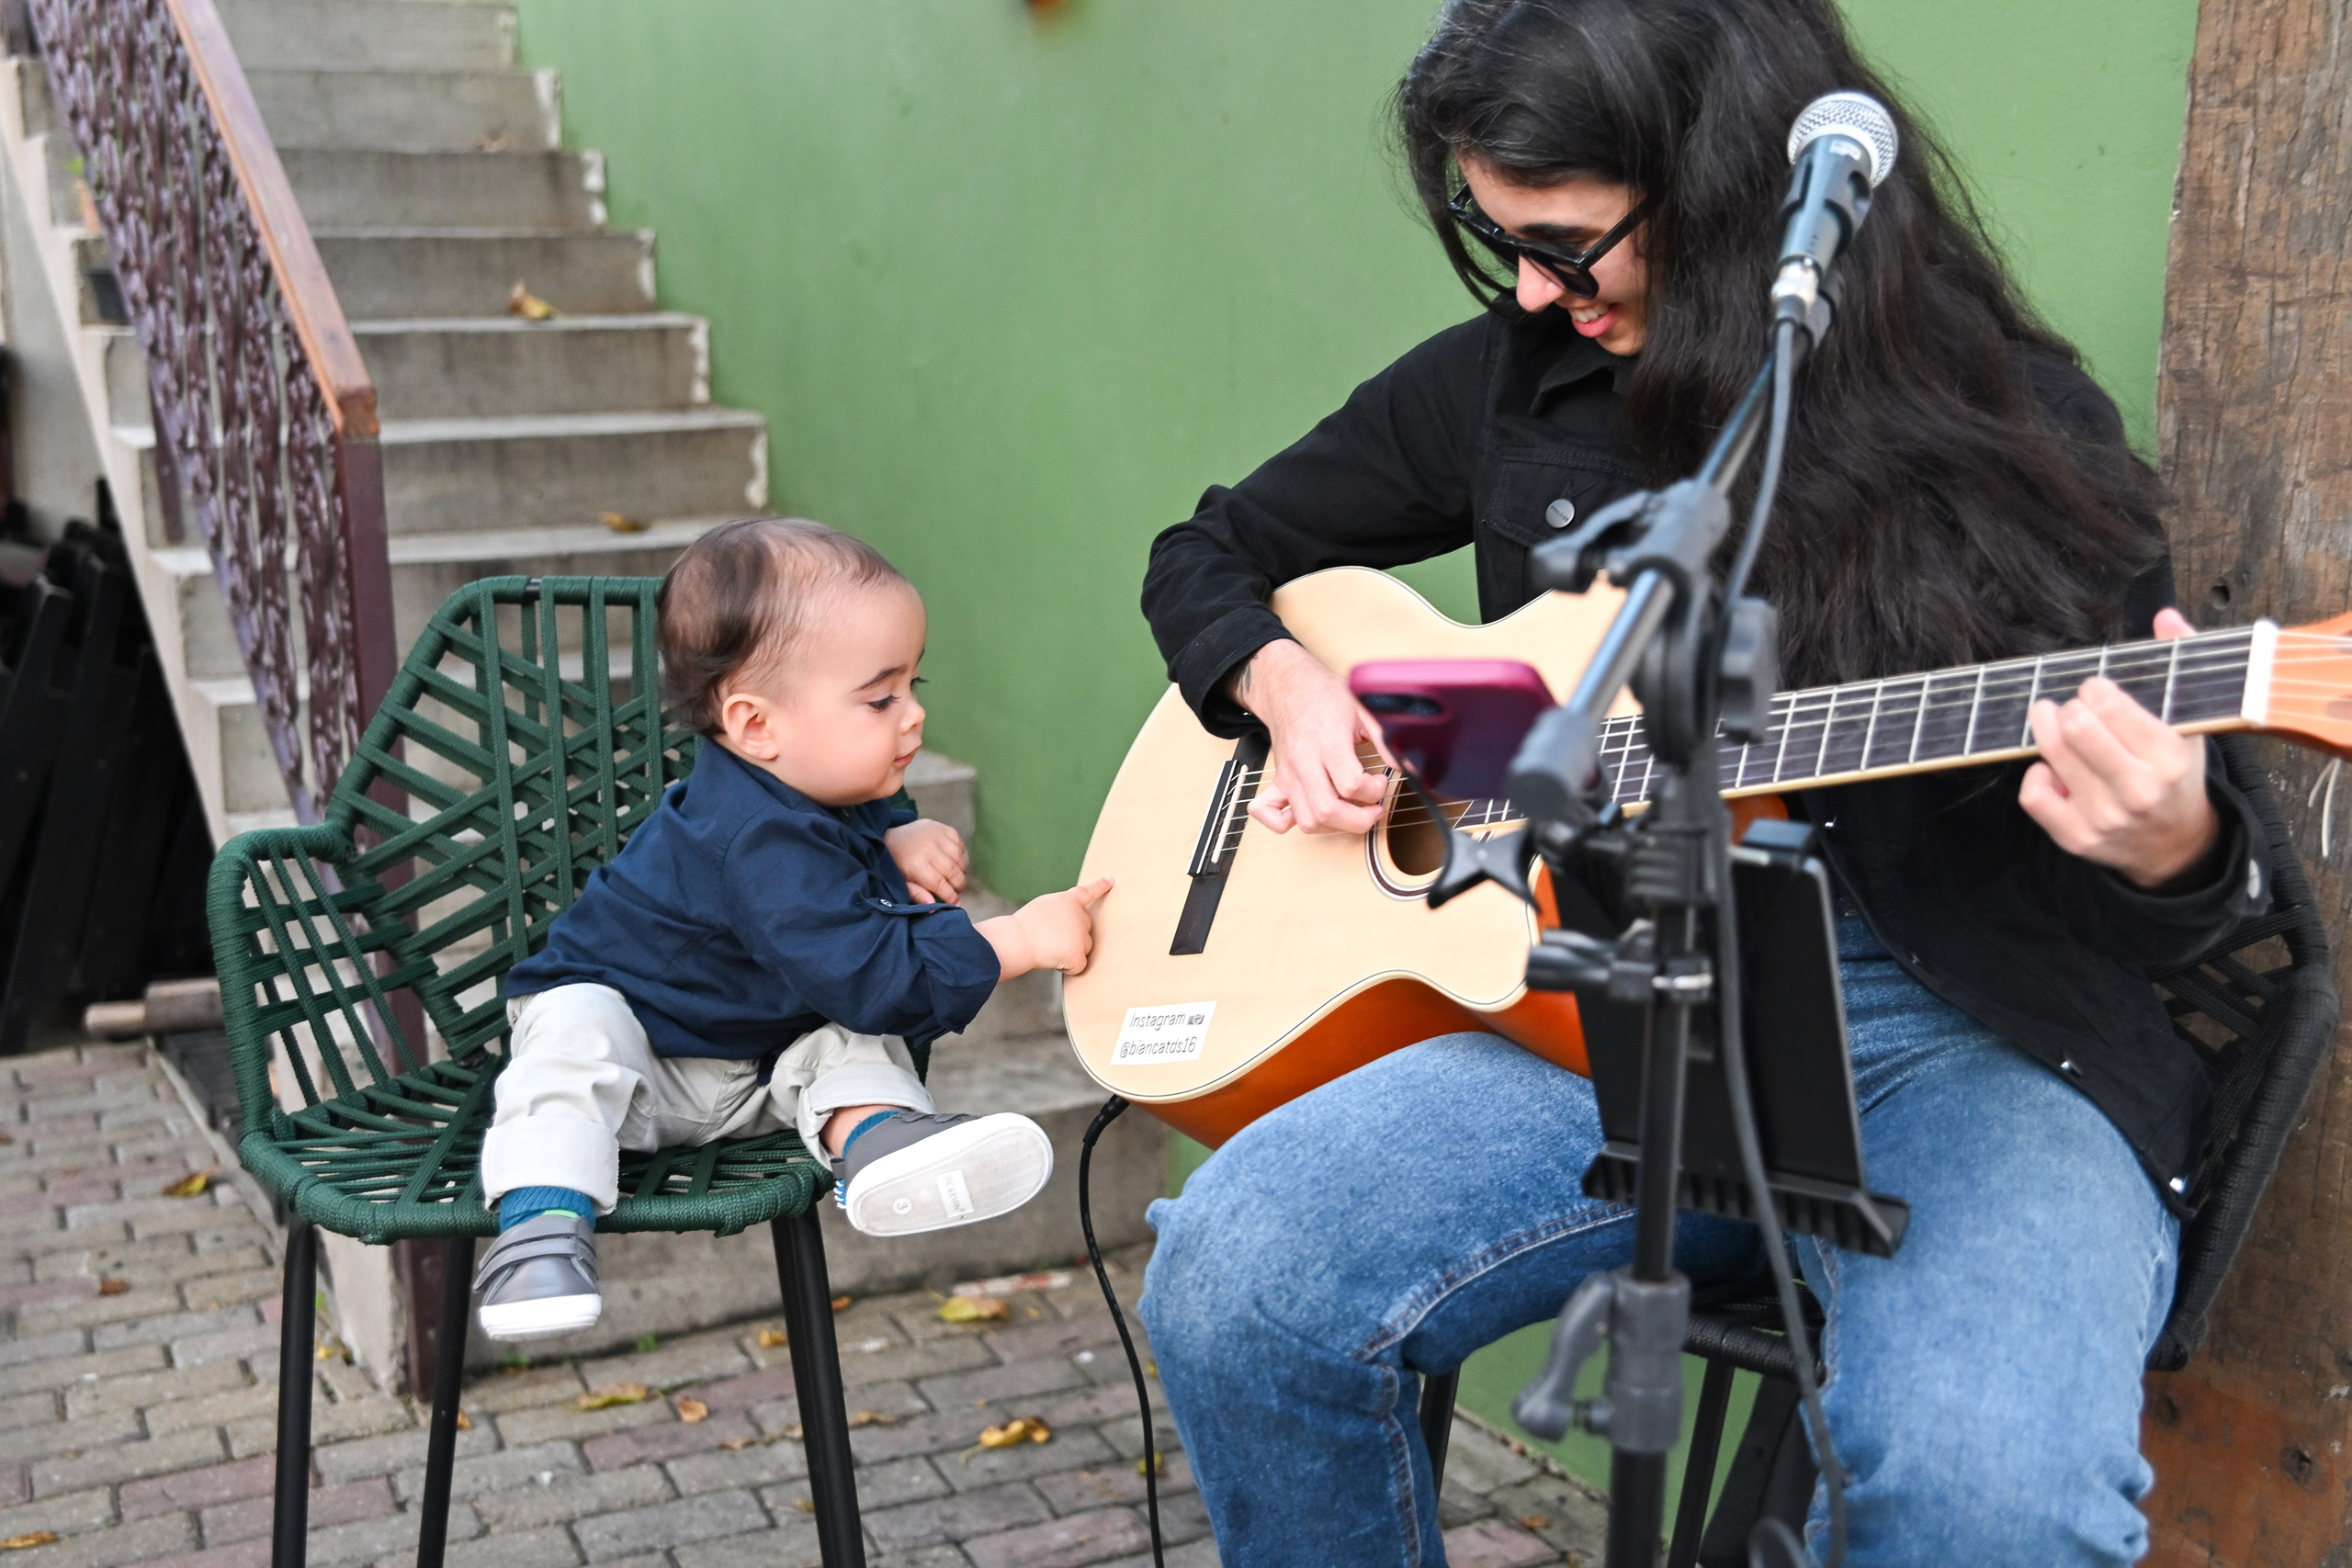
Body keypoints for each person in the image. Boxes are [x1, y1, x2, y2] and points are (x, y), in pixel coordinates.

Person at [1133, 2, 2270, 1562]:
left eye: (1567, 247)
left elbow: (2201, 897)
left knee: (1987, 1491)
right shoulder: (1517, 383)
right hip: (1607, 1008)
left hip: (1972, 1039)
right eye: (1499, 239)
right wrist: (1284, 679)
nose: (1532, 291)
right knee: (1236, 1279)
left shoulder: (2005, 423)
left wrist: (2171, 837)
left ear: (1725, 190)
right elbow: (1209, 551)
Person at [469, 517, 1113, 1342]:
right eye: (881, 698)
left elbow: (841, 833)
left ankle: (879, 1142)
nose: (914, 716)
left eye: (914, 683)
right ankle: (539, 1230)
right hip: (639, 1071)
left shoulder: (809, 788)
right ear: (757, 726)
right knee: (574, 1030)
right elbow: (876, 972)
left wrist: (892, 833)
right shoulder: (754, 840)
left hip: (759, 1064)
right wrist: (1015, 941)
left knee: (847, 1039)